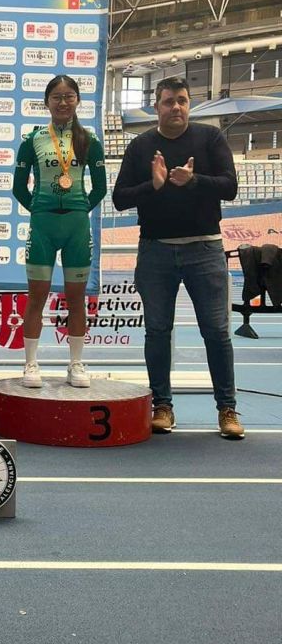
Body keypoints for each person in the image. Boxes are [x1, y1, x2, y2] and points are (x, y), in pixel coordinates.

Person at [112, 75, 244, 439]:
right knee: (157, 331)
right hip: (155, 251)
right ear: (156, 107)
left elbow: (230, 187)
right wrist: (153, 186)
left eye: (182, 101)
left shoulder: (210, 138)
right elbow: (120, 198)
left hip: (205, 249)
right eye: (169, 101)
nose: (176, 107)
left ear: (189, 104)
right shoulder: (141, 146)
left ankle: (227, 409)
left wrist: (194, 180)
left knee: (216, 332)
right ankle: (162, 406)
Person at [13, 74, 107, 387]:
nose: (63, 102)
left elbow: (101, 188)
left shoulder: (89, 140)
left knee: (76, 298)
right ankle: (30, 364)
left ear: (77, 100)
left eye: (69, 96)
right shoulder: (33, 139)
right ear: (47, 102)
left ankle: (76, 364)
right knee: (36, 298)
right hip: (43, 226)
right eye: (57, 97)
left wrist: (79, 209)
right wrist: (40, 209)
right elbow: (18, 188)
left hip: (76, 227)